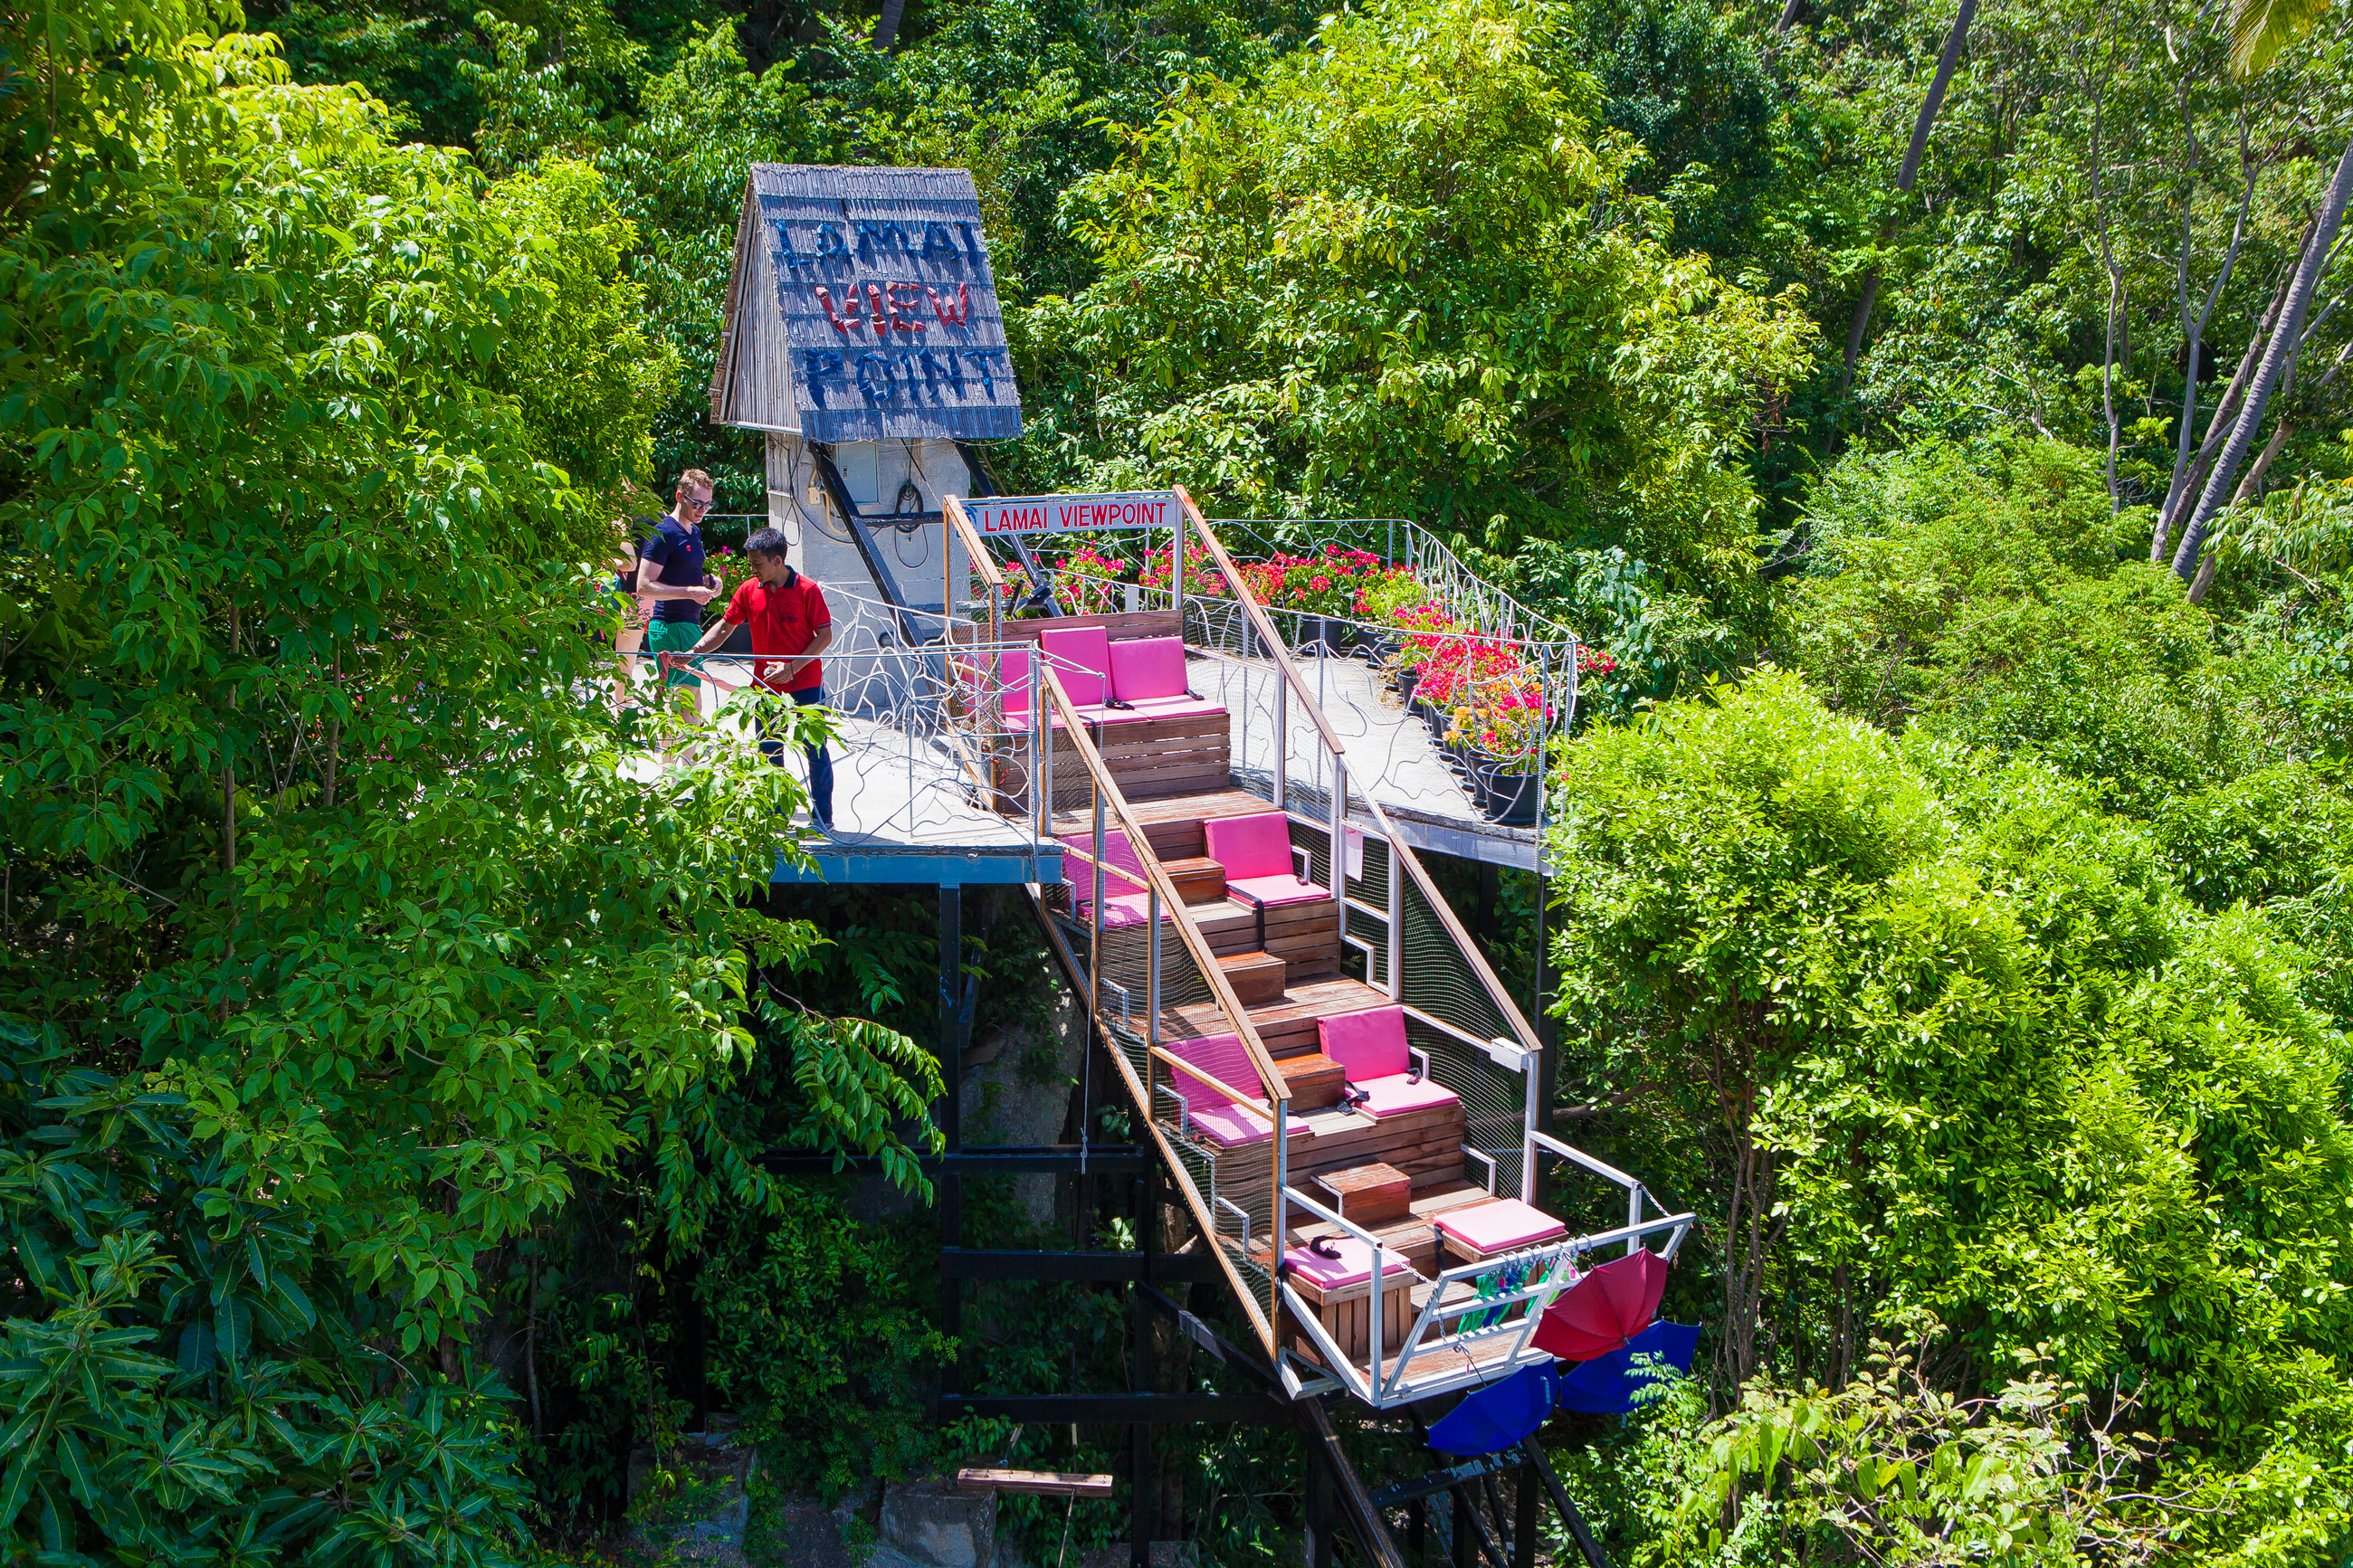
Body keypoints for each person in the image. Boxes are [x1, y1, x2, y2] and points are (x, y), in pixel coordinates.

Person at [682, 525, 835, 829]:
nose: (752, 569)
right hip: (764, 687)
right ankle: (774, 816)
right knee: (768, 749)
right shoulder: (749, 590)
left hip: (805, 683)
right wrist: (695, 651)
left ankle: (823, 818)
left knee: (814, 749)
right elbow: (726, 626)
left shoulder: (807, 590)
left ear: (777, 561)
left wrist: (791, 667)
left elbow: (825, 636)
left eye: (757, 563)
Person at [634, 470, 722, 725]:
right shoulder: (665, 532)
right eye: (696, 503)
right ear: (679, 497)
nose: (702, 509)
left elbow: (682, 575)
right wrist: (689, 593)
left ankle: (678, 763)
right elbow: (643, 586)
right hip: (670, 625)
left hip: (688, 625)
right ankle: (677, 764)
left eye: (708, 504)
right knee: (684, 707)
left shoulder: (693, 532)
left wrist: (709, 582)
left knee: (687, 704)